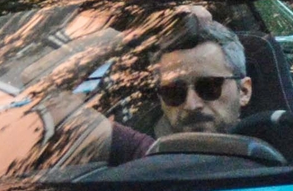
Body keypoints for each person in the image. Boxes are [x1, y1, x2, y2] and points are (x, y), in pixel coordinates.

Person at [100, 9, 254, 163]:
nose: (191, 104)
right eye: (174, 93)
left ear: (244, 91)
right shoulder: (145, 154)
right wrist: (140, 31)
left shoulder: (275, 142)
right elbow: (76, 118)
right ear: (160, 98)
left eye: (209, 87)